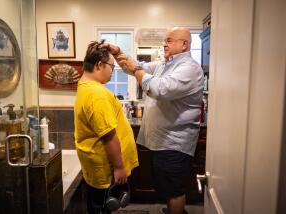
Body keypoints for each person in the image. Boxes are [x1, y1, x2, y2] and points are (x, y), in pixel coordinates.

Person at [102, 27, 204, 214]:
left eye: (170, 40)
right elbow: (132, 68)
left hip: (175, 143)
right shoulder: (164, 65)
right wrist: (117, 53)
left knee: (174, 190)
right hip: (162, 142)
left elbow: (158, 89)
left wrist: (136, 69)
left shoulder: (189, 69)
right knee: (166, 185)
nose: (165, 43)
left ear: (184, 45)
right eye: (165, 40)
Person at [74, 40, 139, 214]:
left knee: (97, 205)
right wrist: (119, 167)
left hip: (97, 164)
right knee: (102, 208)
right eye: (111, 66)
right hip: (106, 167)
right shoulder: (97, 94)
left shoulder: (85, 86)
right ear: (99, 65)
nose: (113, 71)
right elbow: (109, 136)